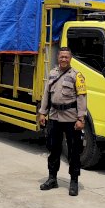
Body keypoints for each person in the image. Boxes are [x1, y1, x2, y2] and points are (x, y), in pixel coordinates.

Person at [37, 47, 87, 197]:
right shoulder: (52, 73)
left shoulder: (77, 75)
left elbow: (82, 97)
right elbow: (46, 94)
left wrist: (81, 118)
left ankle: (74, 181)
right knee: (53, 149)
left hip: (71, 118)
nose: (63, 59)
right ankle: (52, 178)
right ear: (58, 58)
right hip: (54, 117)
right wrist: (42, 112)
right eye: (61, 57)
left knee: (73, 151)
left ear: (70, 58)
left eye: (66, 57)